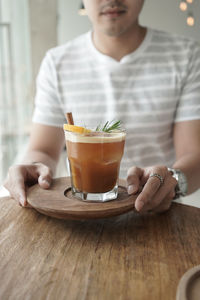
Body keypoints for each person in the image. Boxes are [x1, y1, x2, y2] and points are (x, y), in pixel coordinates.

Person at [4, 0, 200, 213]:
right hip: (78, 216)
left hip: (155, 217)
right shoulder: (56, 63)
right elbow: (43, 150)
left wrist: (173, 179)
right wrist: (32, 168)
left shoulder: (187, 56)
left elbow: (194, 153)